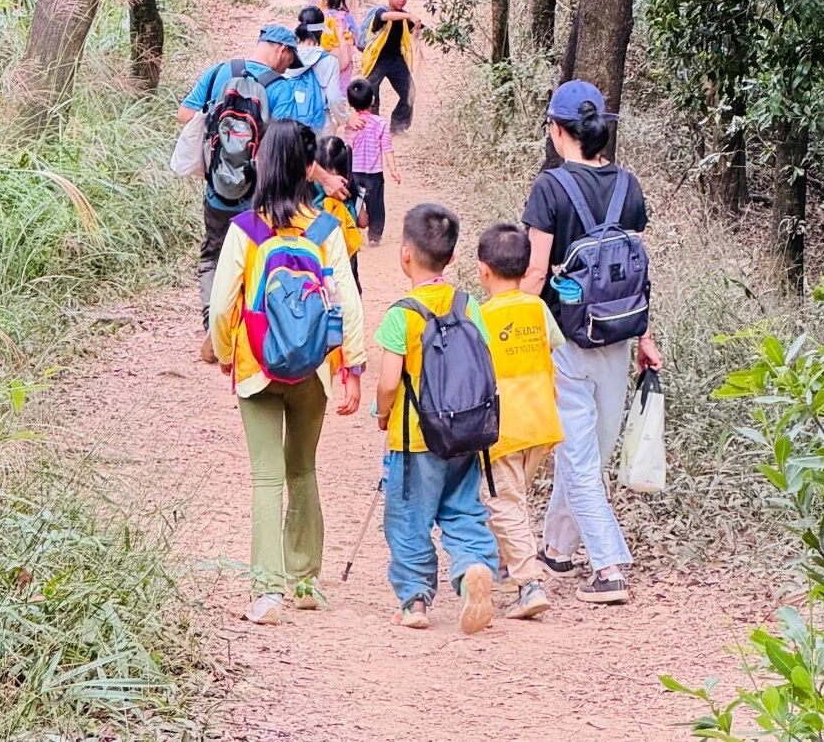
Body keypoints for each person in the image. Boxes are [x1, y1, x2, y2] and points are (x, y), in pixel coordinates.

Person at [208, 121, 365, 624]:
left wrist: (226, 351)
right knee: (302, 468)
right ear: (309, 167)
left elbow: (221, 304)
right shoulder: (325, 230)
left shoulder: (245, 229)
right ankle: (305, 581)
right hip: (312, 369)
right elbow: (347, 302)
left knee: (266, 476)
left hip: (256, 365)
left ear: (261, 162)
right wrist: (352, 366)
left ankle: (267, 591)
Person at [521, 80, 662, 604]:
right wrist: (645, 335)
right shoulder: (628, 185)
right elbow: (631, 271)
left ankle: (608, 567)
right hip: (618, 335)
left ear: (557, 129)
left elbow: (536, 273)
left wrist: (511, 331)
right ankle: (557, 548)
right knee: (587, 453)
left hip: (567, 340)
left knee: (580, 458)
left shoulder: (550, 188)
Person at [374, 202, 499, 633]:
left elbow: (388, 382)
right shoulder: (468, 305)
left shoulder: (402, 314)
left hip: (415, 440)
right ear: (452, 255)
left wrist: (381, 412)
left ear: (406, 253)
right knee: (463, 511)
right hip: (465, 433)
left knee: (409, 519)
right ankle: (473, 568)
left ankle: (414, 601)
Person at [177, 25, 303, 361]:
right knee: (256, 257)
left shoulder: (219, 72)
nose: (287, 66)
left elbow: (184, 114)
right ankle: (249, 327)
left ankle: (212, 324)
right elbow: (285, 146)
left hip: (218, 189)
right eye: (290, 59)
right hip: (259, 196)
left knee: (213, 256)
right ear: (282, 49)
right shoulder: (281, 88)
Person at [476, 221, 564, 621]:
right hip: (541, 420)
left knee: (504, 501)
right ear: (528, 269)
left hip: (503, 426)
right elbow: (553, 348)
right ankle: (502, 566)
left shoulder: (482, 316)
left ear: (483, 269)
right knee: (513, 498)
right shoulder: (538, 307)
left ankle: (529, 584)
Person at [361, 0, 419, 135]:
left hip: (396, 60)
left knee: (410, 92)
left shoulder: (404, 17)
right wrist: (408, 16)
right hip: (377, 60)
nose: (402, 0)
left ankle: (398, 126)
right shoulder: (382, 12)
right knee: (372, 94)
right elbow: (386, 17)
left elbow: (416, 30)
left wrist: (417, 27)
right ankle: (373, 127)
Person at [345, 76, 399, 246]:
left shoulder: (351, 124)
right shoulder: (380, 123)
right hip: (374, 174)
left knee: (354, 203)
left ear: (350, 103)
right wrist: (393, 169)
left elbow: (348, 149)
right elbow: (387, 148)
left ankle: (353, 231)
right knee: (376, 205)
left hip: (354, 172)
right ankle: (374, 236)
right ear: (373, 100)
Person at [315, 132, 364, 291]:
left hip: (321, 266)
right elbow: (363, 222)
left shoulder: (310, 195)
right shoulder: (353, 192)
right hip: (347, 267)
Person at [292, 6, 344, 129]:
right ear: (321, 32)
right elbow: (333, 97)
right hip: (319, 124)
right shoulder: (329, 61)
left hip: (289, 124)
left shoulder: (286, 55)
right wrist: (344, 119)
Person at [318, 0, 357, 82]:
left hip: (324, 59)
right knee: (343, 86)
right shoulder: (347, 16)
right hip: (344, 60)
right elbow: (356, 38)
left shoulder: (320, 16)